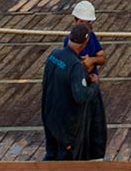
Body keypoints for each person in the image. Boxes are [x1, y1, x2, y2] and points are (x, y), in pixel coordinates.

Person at [41, 24, 93, 160]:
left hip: (50, 118)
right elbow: (80, 96)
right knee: (66, 163)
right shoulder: (76, 66)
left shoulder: (54, 55)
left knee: (51, 156)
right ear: (85, 42)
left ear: (69, 37)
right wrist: (93, 85)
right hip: (66, 128)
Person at [70, 0, 108, 159]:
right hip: (83, 91)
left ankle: (96, 159)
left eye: (88, 23)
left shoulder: (91, 37)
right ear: (75, 20)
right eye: (83, 23)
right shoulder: (71, 43)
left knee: (97, 128)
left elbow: (102, 57)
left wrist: (91, 60)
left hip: (92, 89)